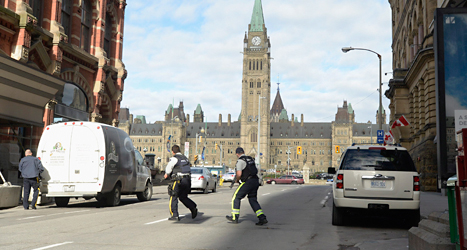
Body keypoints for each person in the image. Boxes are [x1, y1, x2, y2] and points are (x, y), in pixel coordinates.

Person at [226, 147, 268, 225]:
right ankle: (262, 218)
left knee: (236, 197)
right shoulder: (250, 159)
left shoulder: (240, 161)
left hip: (248, 182)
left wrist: (237, 180)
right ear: (244, 152)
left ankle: (234, 217)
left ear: (237, 154)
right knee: (252, 199)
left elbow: (239, 174)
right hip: (255, 181)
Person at [164, 145, 198, 221]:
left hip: (178, 180)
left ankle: (174, 215)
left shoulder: (174, 158)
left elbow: (168, 169)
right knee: (183, 197)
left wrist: (166, 174)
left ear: (173, 152)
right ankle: (193, 207)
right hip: (188, 180)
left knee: (173, 196)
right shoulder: (185, 158)